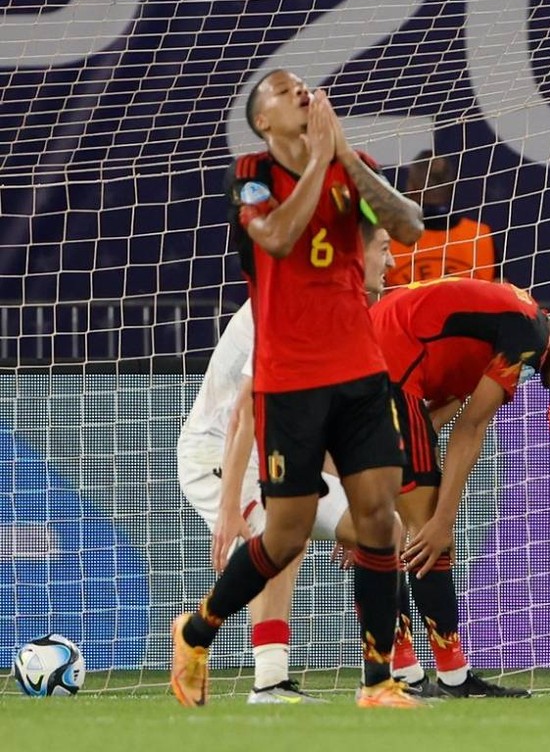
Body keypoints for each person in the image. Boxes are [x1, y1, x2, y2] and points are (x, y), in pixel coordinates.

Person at [170, 69, 426, 709]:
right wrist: (320, 161)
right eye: (284, 92)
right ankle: (198, 630)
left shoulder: (351, 163)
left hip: (360, 374)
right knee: (283, 538)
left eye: (304, 88)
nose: (302, 94)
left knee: (379, 521)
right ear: (263, 120)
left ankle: (378, 681)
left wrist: (345, 159)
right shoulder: (250, 176)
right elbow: (279, 237)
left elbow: (410, 224)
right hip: (290, 385)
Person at [176, 223, 397, 704]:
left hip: (278, 447)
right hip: (217, 451)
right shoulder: (291, 299)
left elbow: (334, 421)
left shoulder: (350, 312)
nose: (393, 262)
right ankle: (268, 680)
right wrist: (233, 506)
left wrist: (354, 507)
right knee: (281, 532)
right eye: (384, 249)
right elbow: (243, 413)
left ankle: (389, 676)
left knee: (386, 529)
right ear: (353, 254)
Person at [370, 277, 550, 697]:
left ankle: (407, 673)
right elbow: (469, 428)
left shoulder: (510, 327)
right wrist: (444, 519)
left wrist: (371, 488)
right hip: (390, 365)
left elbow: (433, 424)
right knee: (428, 535)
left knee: (395, 530)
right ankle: (452, 678)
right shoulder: (528, 335)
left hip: (382, 357)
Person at [385, 151, 498, 287]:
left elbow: (373, 299)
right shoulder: (481, 236)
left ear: (411, 187)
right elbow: (503, 293)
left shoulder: (390, 237)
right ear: (451, 187)